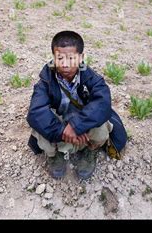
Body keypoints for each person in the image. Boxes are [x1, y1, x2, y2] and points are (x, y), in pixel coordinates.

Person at [26, 31, 127, 180]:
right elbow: (36, 112)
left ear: (81, 58)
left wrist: (76, 126)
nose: (65, 64)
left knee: (101, 127)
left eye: (71, 58)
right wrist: (63, 131)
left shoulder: (93, 79)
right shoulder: (45, 82)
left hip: (83, 123)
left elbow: (102, 104)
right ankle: (54, 155)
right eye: (60, 58)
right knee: (42, 125)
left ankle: (90, 150)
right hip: (59, 124)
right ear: (53, 58)